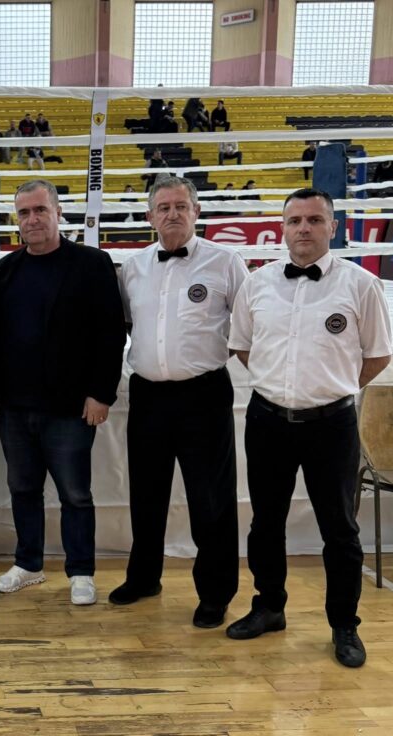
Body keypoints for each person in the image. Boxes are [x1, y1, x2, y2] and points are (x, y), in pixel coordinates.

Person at [226, 188, 392, 669]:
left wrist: (332, 387)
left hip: (332, 425)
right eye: (295, 220)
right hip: (267, 420)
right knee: (265, 522)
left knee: (339, 529)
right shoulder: (257, 283)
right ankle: (269, 606)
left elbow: (378, 355)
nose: (304, 228)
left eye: (315, 220)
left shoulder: (361, 285)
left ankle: (344, 624)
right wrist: (280, 385)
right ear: (282, 227)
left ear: (332, 227)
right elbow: (243, 346)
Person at [111, 175, 248, 628]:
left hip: (203, 394)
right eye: (164, 207)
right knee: (146, 494)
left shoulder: (226, 263)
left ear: (196, 211)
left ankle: (215, 593)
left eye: (180, 206)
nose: (172, 214)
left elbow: (248, 325)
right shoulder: (133, 267)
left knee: (211, 499)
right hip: (148, 394)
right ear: (150, 216)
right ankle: (143, 577)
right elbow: (128, 325)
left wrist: (207, 358)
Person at [0, 180, 125, 605]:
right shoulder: (5, 271)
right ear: (16, 219)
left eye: (40, 210)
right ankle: (28, 563)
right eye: (24, 213)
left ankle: (81, 570)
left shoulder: (91, 264)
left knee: (75, 494)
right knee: (22, 489)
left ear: (58, 213)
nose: (32, 219)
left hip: (71, 407)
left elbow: (111, 334)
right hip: (16, 406)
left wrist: (101, 393)